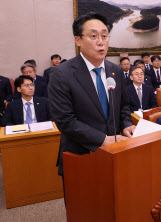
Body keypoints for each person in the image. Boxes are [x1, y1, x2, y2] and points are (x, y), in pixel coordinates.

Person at [48, 12, 135, 179]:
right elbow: (65, 121)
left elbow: (124, 106)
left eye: (104, 35)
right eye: (93, 36)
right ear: (78, 40)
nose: (101, 41)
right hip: (80, 154)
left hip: (116, 152)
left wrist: (125, 125)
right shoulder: (61, 74)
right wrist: (103, 139)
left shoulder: (115, 70)